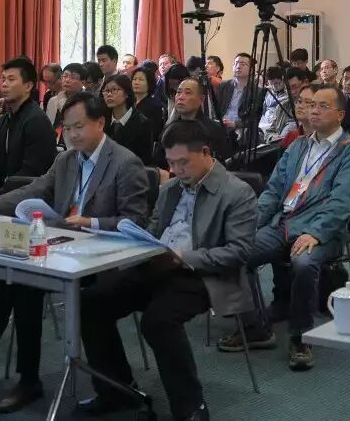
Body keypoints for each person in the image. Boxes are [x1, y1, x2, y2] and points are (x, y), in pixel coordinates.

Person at [0, 92, 149, 412]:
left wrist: (92, 222)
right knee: (20, 276)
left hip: (105, 260)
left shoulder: (125, 162)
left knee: (22, 281)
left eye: (79, 127)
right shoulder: (66, 160)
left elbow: (136, 221)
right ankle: (18, 374)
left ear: (100, 122)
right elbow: (35, 189)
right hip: (64, 248)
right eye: (67, 128)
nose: (72, 135)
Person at [76, 119, 255, 420]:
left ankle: (191, 408)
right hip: (158, 264)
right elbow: (154, 229)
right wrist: (135, 241)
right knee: (90, 302)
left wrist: (186, 257)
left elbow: (240, 252)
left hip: (201, 275)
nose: (176, 170)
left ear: (206, 152)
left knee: (158, 321)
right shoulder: (171, 188)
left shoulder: (237, 193)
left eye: (183, 162)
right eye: (171, 163)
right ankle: (117, 390)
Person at [220, 85, 350, 370]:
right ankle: (255, 327)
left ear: (340, 114)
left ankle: (301, 336)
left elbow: (343, 202)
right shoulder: (298, 146)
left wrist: (316, 233)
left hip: (322, 230)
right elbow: (273, 191)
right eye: (312, 105)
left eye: (323, 106)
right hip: (283, 223)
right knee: (234, 251)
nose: (314, 111)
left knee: (304, 263)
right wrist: (249, 225)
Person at [0, 58, 57, 206]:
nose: (4, 84)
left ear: (28, 86)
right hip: (3, 196)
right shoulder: (3, 121)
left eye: (11, 79)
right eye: (3, 79)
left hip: (28, 200)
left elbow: (31, 173)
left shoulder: (37, 121)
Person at [102, 72, 157, 164]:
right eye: (106, 91)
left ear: (127, 93)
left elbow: (145, 161)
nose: (109, 94)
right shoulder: (102, 120)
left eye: (114, 90)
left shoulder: (142, 123)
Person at [214, 52, 256, 135]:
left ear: (251, 70)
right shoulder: (223, 85)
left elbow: (253, 117)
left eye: (243, 64)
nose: (238, 66)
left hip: (241, 129)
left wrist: (235, 124)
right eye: (236, 63)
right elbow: (215, 108)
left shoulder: (255, 91)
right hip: (221, 126)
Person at [131, 62, 165, 132]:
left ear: (149, 82)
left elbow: (154, 131)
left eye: (141, 79)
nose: (136, 82)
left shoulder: (155, 105)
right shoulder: (128, 102)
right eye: (134, 79)